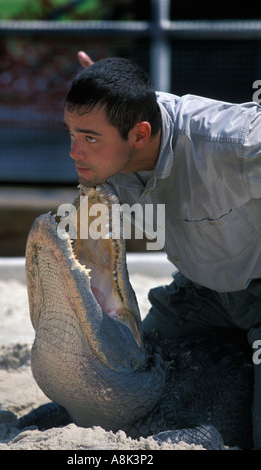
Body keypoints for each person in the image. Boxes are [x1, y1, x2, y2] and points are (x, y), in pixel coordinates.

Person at [63, 51, 261, 448]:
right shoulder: (116, 142)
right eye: (70, 132)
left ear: (138, 134)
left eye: (89, 138)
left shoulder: (234, 141)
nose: (74, 152)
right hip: (200, 294)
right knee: (121, 382)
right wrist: (107, 95)